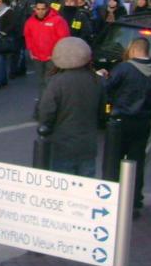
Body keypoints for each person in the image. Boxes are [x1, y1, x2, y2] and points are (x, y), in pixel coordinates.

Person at [100, 38, 151, 218]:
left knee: (113, 161)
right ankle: (134, 200)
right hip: (144, 120)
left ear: (134, 50)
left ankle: (111, 200)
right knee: (137, 161)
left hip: (121, 119)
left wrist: (102, 78)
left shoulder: (125, 68)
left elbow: (108, 87)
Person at [35, 37, 103, 177]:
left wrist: (45, 128)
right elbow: (103, 111)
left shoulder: (57, 82)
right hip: (88, 144)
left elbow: (46, 111)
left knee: (63, 188)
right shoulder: (96, 80)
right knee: (85, 186)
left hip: (62, 144)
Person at [23, 0, 70, 101]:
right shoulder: (30, 21)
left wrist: (57, 54)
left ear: (47, 9)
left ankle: (50, 103)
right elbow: (28, 37)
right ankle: (43, 102)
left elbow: (64, 38)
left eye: (43, 9)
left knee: (50, 81)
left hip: (52, 57)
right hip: (37, 57)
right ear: (34, 9)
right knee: (41, 81)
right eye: (38, 9)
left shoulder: (57, 20)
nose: (40, 11)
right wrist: (31, 51)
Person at [0, 0, 19, 90]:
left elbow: (13, 24)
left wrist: (4, 32)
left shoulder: (8, 11)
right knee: (0, 60)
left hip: (3, 39)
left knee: (0, 59)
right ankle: (3, 79)